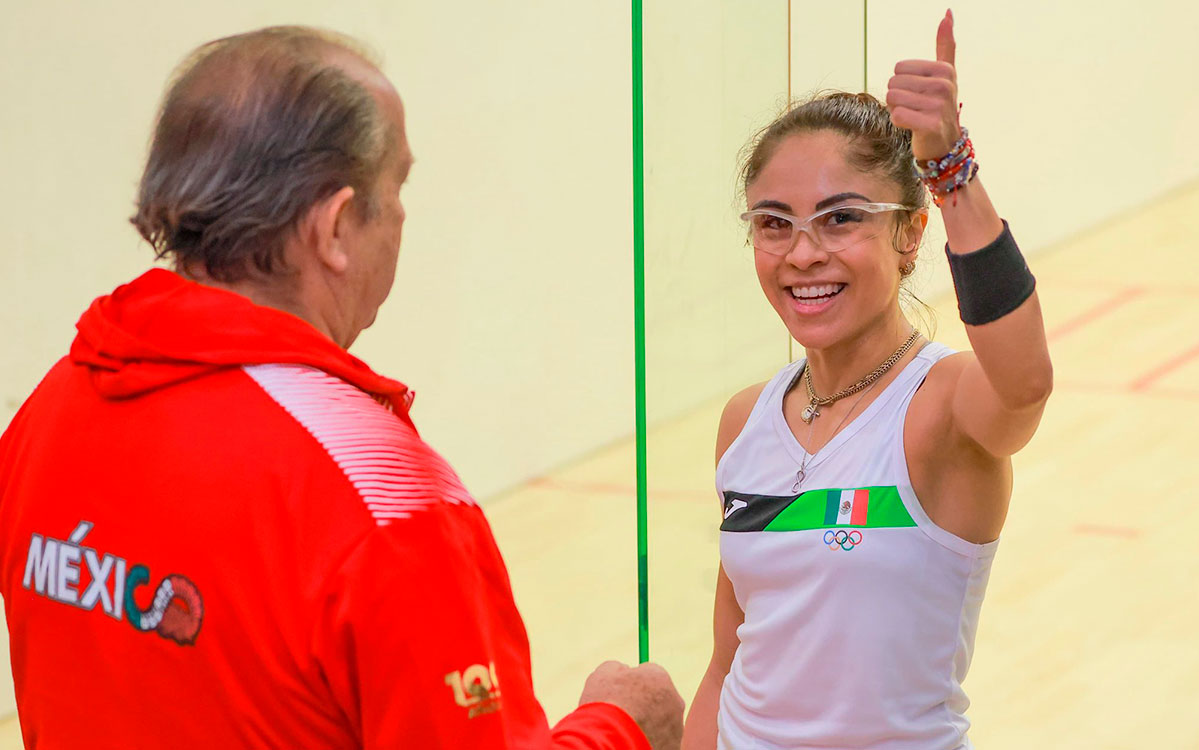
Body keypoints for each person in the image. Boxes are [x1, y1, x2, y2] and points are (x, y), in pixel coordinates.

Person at [0, 26, 684, 749]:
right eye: (397, 187)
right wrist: (621, 727)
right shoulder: (382, 502)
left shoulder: (49, 413)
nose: (402, 217)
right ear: (332, 228)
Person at [682, 11, 1052, 750]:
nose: (802, 254)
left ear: (910, 234)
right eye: (774, 223)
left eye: (841, 218)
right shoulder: (745, 420)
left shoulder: (939, 408)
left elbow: (1025, 383)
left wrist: (951, 170)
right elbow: (728, 666)